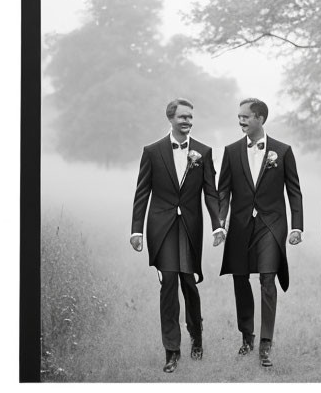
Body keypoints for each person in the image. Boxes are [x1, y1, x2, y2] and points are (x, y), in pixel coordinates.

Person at [130, 98, 223, 374]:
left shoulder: (203, 152)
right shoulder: (153, 151)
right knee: (168, 283)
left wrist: (217, 224)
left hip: (190, 227)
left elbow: (211, 192)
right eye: (182, 117)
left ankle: (196, 335)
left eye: (190, 117)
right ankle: (172, 351)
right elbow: (142, 192)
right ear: (170, 118)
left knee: (188, 283)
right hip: (162, 227)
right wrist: (136, 229)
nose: (187, 121)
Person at [218, 98, 303, 368]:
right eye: (239, 116)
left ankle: (266, 343)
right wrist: (221, 221)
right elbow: (223, 191)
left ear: (261, 119)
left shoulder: (283, 151)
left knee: (268, 278)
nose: (241, 121)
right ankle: (247, 336)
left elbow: (294, 191)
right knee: (240, 279)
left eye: (246, 117)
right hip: (241, 225)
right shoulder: (231, 151)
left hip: (271, 223)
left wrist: (297, 225)